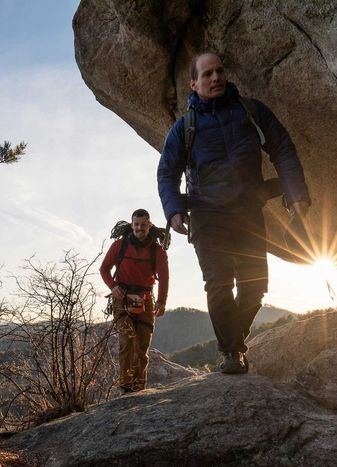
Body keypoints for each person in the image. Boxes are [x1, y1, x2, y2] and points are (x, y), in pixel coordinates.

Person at [157, 52, 311, 374]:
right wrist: (173, 211)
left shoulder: (251, 111)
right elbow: (167, 173)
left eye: (219, 71)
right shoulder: (184, 127)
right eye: (207, 74)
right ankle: (232, 352)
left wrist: (297, 197)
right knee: (219, 282)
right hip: (206, 215)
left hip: (247, 212)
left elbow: (283, 148)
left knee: (256, 287)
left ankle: (233, 340)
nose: (215, 78)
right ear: (194, 83)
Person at [100, 209, 169, 392]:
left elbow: (164, 276)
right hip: (121, 298)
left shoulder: (157, 251)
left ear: (149, 225)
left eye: (143, 224)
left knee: (142, 345)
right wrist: (112, 286)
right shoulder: (119, 246)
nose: (139, 228)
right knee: (127, 340)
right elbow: (104, 269)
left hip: (145, 299)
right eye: (136, 224)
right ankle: (126, 386)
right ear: (132, 225)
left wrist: (161, 301)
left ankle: (138, 388)